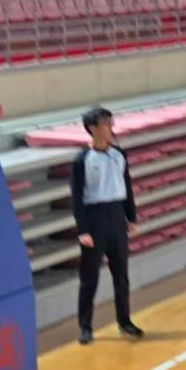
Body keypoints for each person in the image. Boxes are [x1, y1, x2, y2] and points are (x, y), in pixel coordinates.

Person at [71, 107, 144, 345]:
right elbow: (77, 198)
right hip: (95, 218)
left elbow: (127, 187)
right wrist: (83, 230)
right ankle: (85, 327)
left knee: (121, 275)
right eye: (105, 124)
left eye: (111, 123)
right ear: (93, 128)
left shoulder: (119, 155)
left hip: (116, 216)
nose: (111, 128)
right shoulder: (82, 160)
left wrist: (131, 217)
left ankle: (125, 320)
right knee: (89, 277)